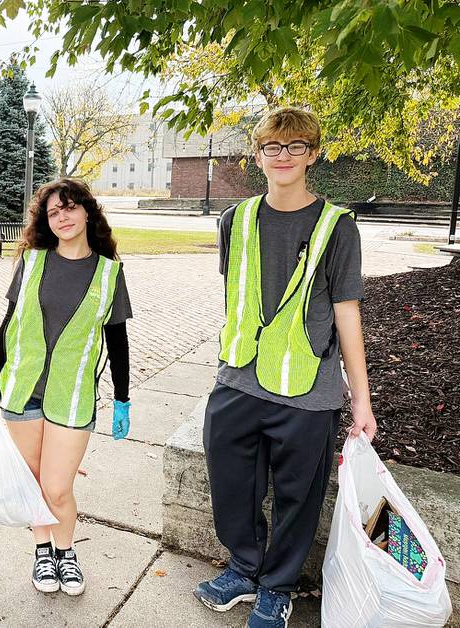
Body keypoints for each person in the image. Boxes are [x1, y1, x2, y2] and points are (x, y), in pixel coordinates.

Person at [194, 108, 377, 627]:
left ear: (313, 155)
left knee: (299, 496)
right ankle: (244, 569)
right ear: (258, 155)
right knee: (230, 479)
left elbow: (347, 311)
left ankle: (277, 585)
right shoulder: (235, 220)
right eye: (273, 147)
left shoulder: (337, 227)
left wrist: (359, 399)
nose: (283, 157)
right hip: (238, 378)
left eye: (296, 147)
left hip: (308, 390)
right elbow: (238, 294)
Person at [0, 178, 132, 596]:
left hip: (73, 394)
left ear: (87, 211)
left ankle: (67, 553)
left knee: (57, 487)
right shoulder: (31, 262)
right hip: (23, 388)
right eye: (53, 212)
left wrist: (122, 398)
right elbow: (10, 324)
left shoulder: (108, 272)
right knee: (31, 483)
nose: (62, 217)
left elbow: (117, 340)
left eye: (69, 207)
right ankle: (43, 552)